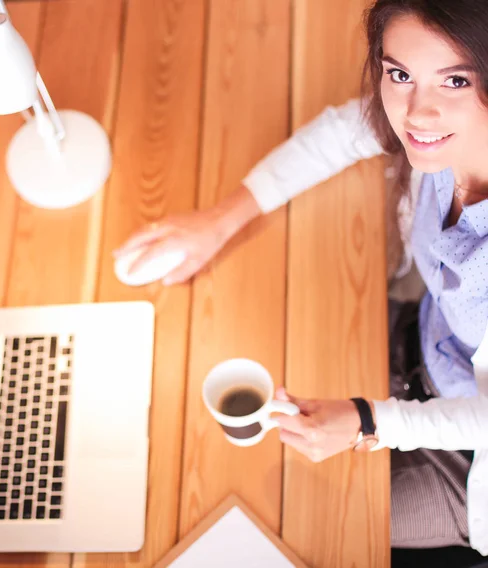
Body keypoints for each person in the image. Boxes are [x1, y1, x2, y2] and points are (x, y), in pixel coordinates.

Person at [114, 0, 488, 561]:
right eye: (400, 74)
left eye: (455, 80)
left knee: (305, 525)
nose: (416, 113)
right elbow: (346, 130)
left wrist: (368, 419)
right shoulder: (436, 143)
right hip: (427, 349)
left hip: (468, 448)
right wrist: (220, 220)